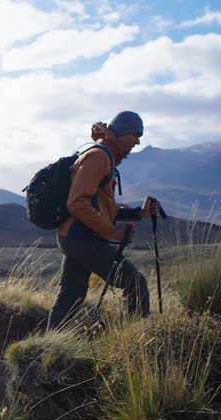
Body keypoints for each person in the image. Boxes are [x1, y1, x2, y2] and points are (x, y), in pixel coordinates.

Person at [48, 111, 163, 329]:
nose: (138, 141)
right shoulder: (98, 157)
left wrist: (139, 213)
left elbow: (100, 206)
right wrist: (111, 232)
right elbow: (77, 203)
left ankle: (48, 349)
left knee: (70, 297)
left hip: (74, 236)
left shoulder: (105, 156)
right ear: (120, 132)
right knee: (134, 282)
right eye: (135, 134)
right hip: (80, 238)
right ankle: (136, 342)